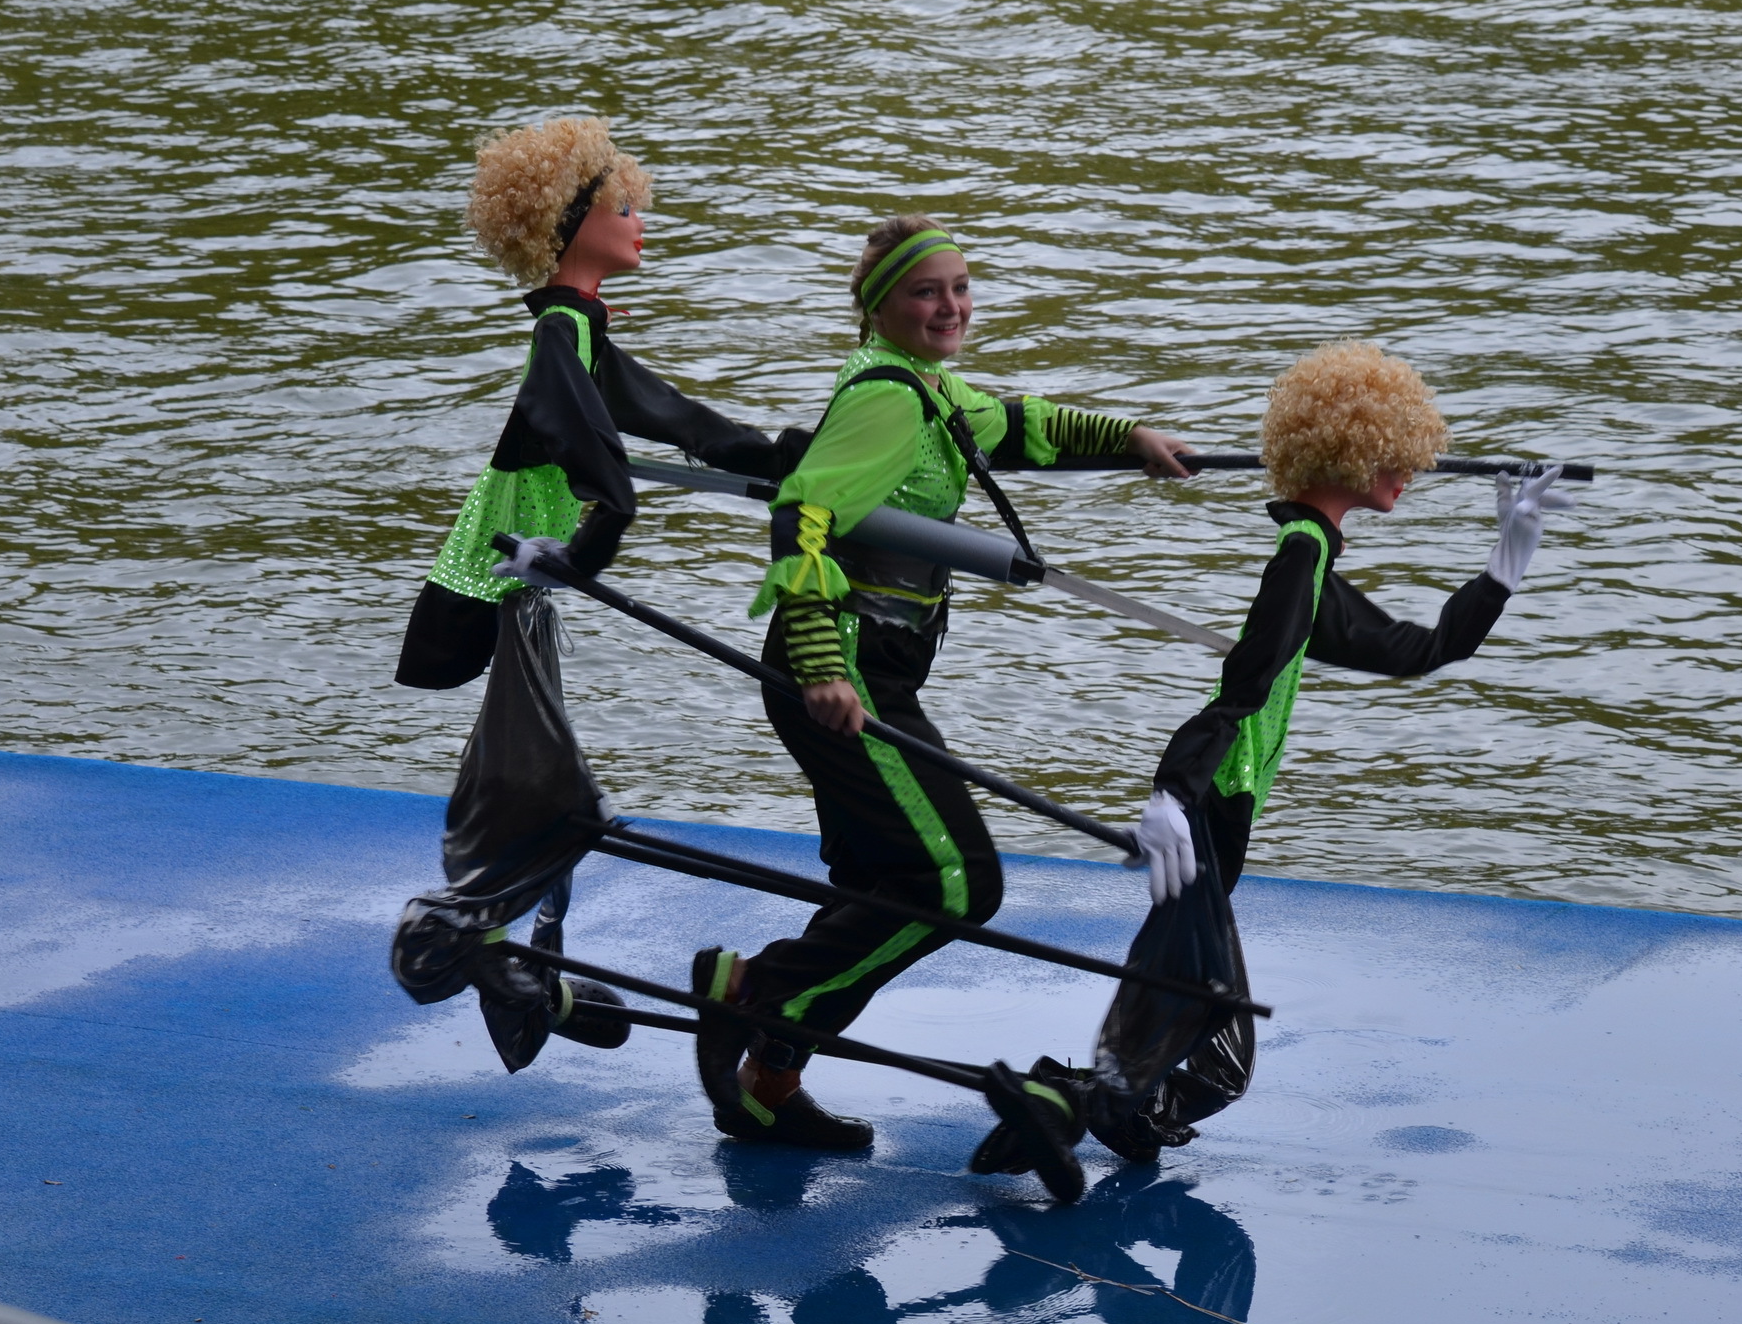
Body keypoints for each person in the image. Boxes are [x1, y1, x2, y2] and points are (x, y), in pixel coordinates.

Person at [982, 341, 1572, 1169]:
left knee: (1185, 1006)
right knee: (1205, 1027)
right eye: (1397, 457)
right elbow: (1244, 681)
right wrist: (1172, 792)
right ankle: (1070, 1104)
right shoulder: (1301, 557)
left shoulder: (1313, 552)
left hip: (1219, 807)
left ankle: (1080, 1107)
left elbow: (1420, 649)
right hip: (1205, 806)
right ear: (1351, 453)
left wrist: (1507, 562)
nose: (1409, 474)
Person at [688, 214, 1193, 1150]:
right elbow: (801, 514)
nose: (951, 306)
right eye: (927, 292)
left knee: (876, 883)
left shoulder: (935, 390)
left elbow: (1028, 427)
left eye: (961, 288)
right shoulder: (886, 397)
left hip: (878, 667)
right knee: (958, 882)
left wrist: (1131, 438)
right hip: (842, 667)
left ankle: (768, 1085)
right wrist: (822, 665)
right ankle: (756, 991)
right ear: (881, 308)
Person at [387, 117, 777, 1070]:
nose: (641, 220)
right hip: (508, 575)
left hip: (526, 578)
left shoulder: (580, 322)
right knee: (543, 785)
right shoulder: (562, 327)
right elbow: (581, 436)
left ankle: (522, 960)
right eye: (624, 206)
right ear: (567, 223)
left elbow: (661, 411)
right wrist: (601, 528)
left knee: (530, 772)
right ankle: (464, 941)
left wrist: (772, 457)